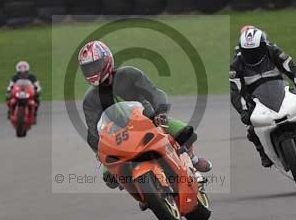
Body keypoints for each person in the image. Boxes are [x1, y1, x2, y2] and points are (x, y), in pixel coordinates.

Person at [78, 40, 212, 196]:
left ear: (106, 60)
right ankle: (141, 194)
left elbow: (155, 93)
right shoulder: (89, 99)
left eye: (95, 65)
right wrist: (99, 150)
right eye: (87, 68)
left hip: (149, 120)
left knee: (184, 132)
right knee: (109, 177)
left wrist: (160, 113)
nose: (91, 71)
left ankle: (193, 162)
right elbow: (93, 130)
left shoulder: (129, 74)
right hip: (118, 138)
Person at [230, 25, 296, 168]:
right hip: (255, 98)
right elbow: (235, 91)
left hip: (281, 90)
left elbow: (294, 70)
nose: (252, 54)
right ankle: (263, 152)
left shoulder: (273, 52)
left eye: (255, 50)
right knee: (251, 127)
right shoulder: (236, 65)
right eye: (248, 51)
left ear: (263, 46)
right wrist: (243, 111)